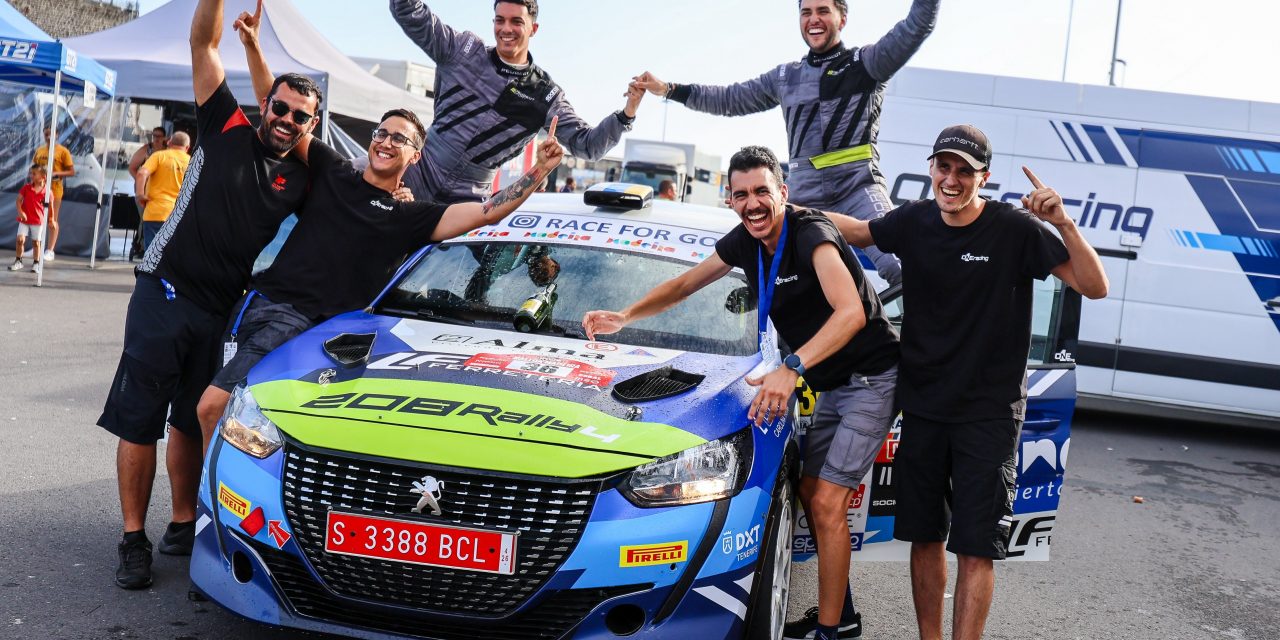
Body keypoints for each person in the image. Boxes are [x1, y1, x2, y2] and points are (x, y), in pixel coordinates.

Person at [193, 7, 567, 447]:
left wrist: (537, 172)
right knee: (212, 411)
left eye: (400, 138)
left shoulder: (412, 217)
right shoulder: (334, 170)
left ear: (416, 157)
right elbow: (280, 109)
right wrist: (254, 45)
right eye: (382, 133)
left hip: (331, 336)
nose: (387, 141)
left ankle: (231, 511)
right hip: (269, 310)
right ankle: (210, 511)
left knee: (254, 423)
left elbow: (487, 210)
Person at [582, 146, 899, 640]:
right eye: (741, 194)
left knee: (826, 502)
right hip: (831, 382)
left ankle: (832, 632)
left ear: (782, 193)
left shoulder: (811, 234)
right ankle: (844, 611)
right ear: (730, 199)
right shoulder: (747, 241)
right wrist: (626, 316)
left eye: (761, 192)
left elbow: (851, 313)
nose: (752, 203)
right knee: (814, 495)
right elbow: (687, 283)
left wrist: (791, 368)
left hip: (872, 379)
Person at [826, 125, 1108, 640]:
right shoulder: (914, 220)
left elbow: (1095, 286)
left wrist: (1064, 223)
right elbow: (862, 232)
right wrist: (790, 212)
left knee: (976, 547)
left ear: (984, 177)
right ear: (932, 168)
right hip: (926, 408)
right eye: (944, 166)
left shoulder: (1014, 229)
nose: (951, 179)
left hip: (990, 413)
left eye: (964, 170)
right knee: (925, 538)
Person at [97, 0, 319, 591]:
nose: (288, 119)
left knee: (191, 422)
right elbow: (203, 45)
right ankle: (130, 538)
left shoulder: (300, 177)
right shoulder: (226, 125)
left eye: (300, 116)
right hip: (162, 292)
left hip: (220, 311)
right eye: (281, 107)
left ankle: (181, 522)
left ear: (309, 127)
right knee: (141, 422)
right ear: (263, 104)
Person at [630, 0, 941, 286]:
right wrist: (669, 89)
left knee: (902, 267)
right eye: (806, 13)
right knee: (778, 276)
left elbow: (918, 25)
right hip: (804, 196)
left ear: (842, 18)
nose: (813, 19)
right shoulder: (785, 77)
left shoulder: (867, 63)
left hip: (857, 187)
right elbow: (728, 99)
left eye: (822, 11)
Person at [390, 0, 642, 203]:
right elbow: (406, 9)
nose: (506, 29)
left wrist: (626, 114)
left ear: (534, 28)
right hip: (418, 171)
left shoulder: (544, 94)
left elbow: (588, 146)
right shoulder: (462, 49)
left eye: (516, 22)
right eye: (500, 20)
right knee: (357, 180)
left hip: (469, 198)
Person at [134, 132, 192, 250]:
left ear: (169, 142)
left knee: (153, 257)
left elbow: (141, 174)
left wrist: (140, 195)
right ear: (187, 148)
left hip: (156, 213)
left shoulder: (159, 156)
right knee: (173, 257)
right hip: (179, 216)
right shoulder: (192, 162)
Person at [32, 125, 75, 262]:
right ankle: (35, 247)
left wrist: (56, 173)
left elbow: (71, 171)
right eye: (46, 134)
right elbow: (33, 169)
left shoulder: (63, 151)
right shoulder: (39, 150)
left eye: (51, 134)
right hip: (39, 189)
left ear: (57, 135)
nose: (49, 136)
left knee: (52, 219)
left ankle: (50, 250)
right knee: (36, 218)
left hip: (54, 190)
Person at [10, 165, 47, 274]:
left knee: (36, 242)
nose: (31, 175)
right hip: (24, 220)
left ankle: (36, 263)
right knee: (20, 239)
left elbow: (50, 206)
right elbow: (18, 201)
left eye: (34, 174)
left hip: (37, 221)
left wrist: (52, 219)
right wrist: (21, 212)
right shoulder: (26, 188)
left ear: (43, 177)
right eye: (31, 173)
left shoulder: (47, 191)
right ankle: (18, 261)